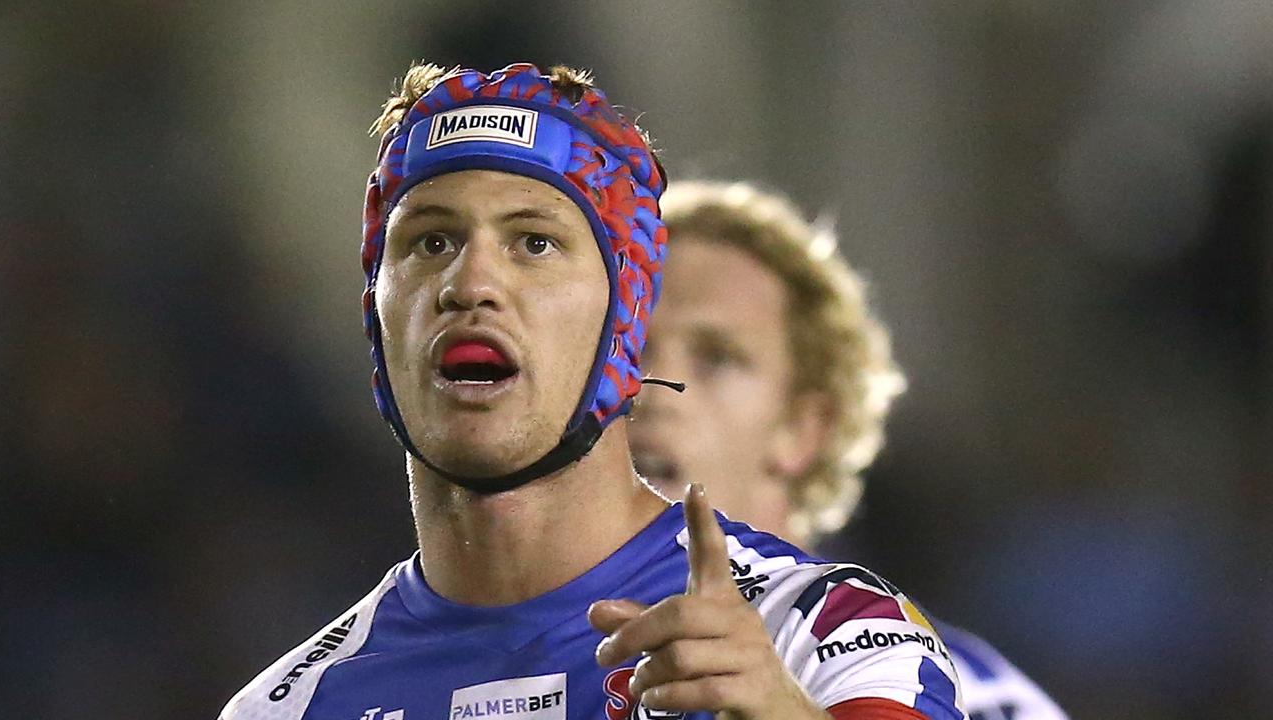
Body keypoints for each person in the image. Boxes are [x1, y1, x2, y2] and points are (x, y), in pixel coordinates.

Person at [218, 62, 962, 720]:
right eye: (430, 241)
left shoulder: (818, 631)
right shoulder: (284, 707)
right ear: (376, 314)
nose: (470, 284)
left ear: (625, 318)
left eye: (534, 242)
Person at [630, 180, 1068, 720]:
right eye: (628, 347)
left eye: (717, 357)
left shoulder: (970, 696)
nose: (651, 384)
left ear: (802, 428)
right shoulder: (513, 660)